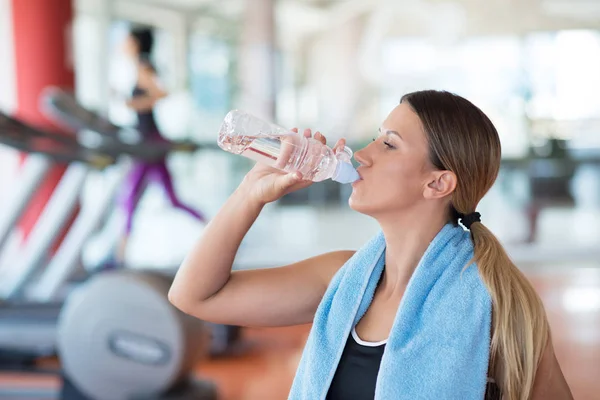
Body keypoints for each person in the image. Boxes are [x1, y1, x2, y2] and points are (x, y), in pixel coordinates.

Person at [168, 90, 573, 399]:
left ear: (437, 183)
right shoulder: (341, 280)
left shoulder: (494, 302)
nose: (361, 155)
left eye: (388, 144)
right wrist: (250, 193)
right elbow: (194, 296)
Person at [115, 26, 206, 263]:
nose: (122, 44)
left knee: (130, 196)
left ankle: (119, 255)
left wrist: (133, 104)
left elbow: (161, 93)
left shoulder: (143, 66)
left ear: (135, 43)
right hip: (148, 140)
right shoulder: (139, 65)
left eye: (126, 40)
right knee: (170, 198)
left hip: (149, 142)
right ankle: (211, 226)